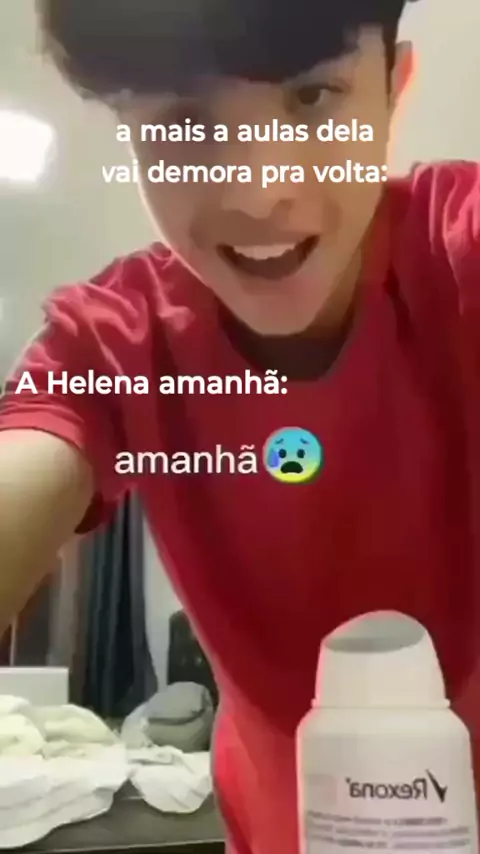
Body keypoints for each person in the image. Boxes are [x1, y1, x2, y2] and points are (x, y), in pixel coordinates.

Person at [1, 0, 480, 851]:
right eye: (182, 124)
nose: (259, 192)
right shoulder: (116, 342)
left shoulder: (460, 253)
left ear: (394, 87)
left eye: (312, 97)